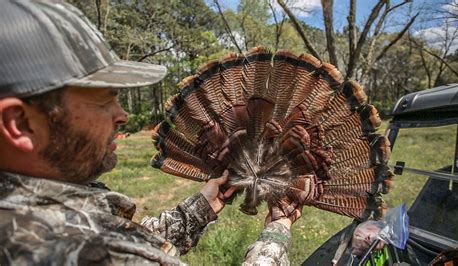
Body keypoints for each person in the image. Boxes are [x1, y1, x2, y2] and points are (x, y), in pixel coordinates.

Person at [0, 1, 297, 265]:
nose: (123, 116)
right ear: (20, 124)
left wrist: (201, 208)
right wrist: (276, 235)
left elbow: (132, 237)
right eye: (104, 99)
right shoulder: (86, 251)